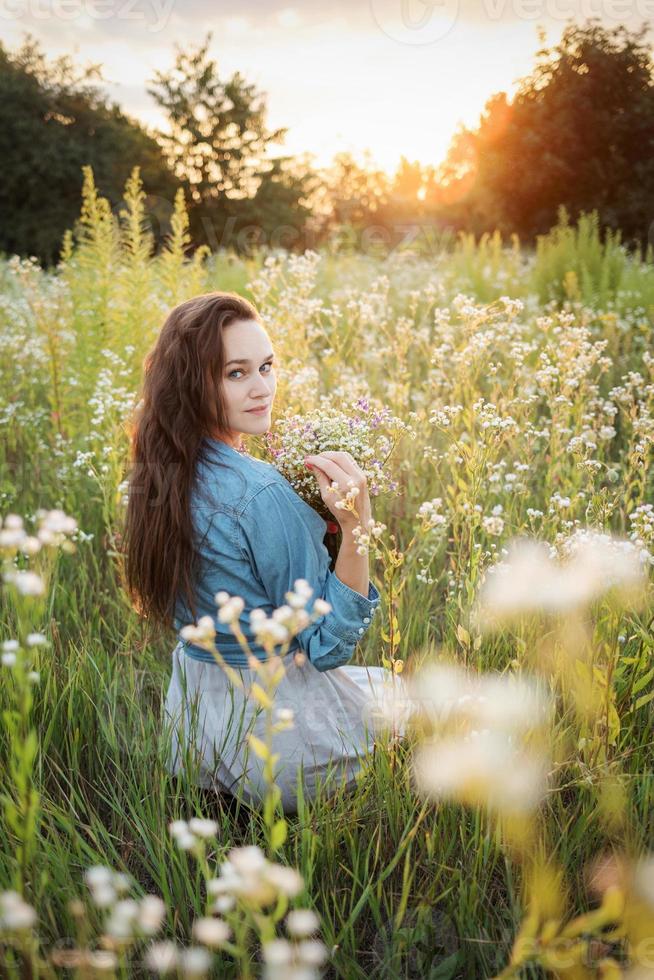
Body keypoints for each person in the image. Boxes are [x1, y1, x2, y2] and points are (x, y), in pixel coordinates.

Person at [122, 291, 408, 815]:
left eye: (267, 367)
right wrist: (354, 528)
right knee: (429, 710)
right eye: (236, 373)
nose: (262, 389)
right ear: (191, 382)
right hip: (280, 743)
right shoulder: (259, 492)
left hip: (197, 734)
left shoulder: (158, 469)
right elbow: (326, 648)